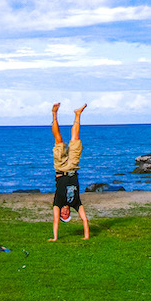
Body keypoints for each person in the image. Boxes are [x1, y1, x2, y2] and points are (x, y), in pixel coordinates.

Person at [49, 102, 90, 241]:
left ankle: (54, 114)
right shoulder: (75, 202)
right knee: (76, 138)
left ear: (60, 213)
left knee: (59, 140)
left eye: (63, 214)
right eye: (67, 214)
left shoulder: (57, 203)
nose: (65, 211)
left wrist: (55, 238)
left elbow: (55, 222)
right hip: (72, 167)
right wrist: (86, 237)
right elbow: (85, 220)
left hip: (60, 167)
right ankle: (78, 114)